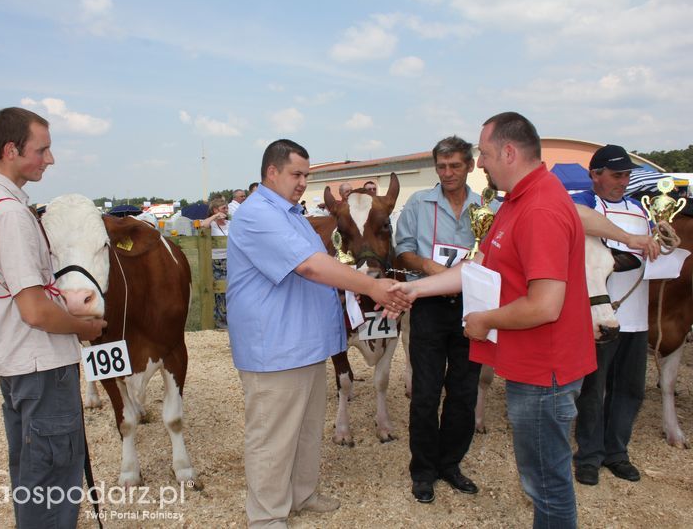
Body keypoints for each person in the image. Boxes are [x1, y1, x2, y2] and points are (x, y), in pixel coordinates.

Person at [391, 112, 596, 528]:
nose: (479, 163)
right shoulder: (516, 204)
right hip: (529, 363)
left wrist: (483, 321)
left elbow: (545, 305)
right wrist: (411, 289)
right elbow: (476, 267)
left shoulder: (538, 208)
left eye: (482, 154)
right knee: (540, 478)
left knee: (547, 484)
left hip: (546, 370)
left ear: (508, 151)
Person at [227, 138, 410, 528]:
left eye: (306, 175)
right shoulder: (258, 214)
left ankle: (301, 494)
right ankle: (266, 516)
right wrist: (374, 287)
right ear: (271, 172)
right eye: (296, 174)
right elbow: (311, 267)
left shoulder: (292, 214)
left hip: (307, 345)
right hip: (274, 348)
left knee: (307, 431)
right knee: (272, 437)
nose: (302, 183)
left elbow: (330, 262)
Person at [0, 107, 106, 527]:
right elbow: (34, 310)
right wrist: (84, 327)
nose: (50, 158)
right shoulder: (10, 213)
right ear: (11, 150)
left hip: (20, 358)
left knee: (30, 466)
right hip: (40, 360)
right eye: (42, 149)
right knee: (53, 470)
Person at [395, 135, 499, 504]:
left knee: (464, 391)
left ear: (470, 166)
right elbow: (402, 250)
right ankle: (422, 471)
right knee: (424, 392)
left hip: (473, 307)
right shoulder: (418, 203)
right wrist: (429, 267)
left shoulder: (489, 207)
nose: (448, 172)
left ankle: (451, 464)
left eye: (455, 165)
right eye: (442, 166)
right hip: (428, 305)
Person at [572, 145, 660, 486]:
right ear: (595, 174)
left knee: (630, 389)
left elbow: (647, 246)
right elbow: (576, 220)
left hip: (636, 312)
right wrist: (628, 241)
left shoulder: (640, 208)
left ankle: (617, 452)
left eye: (627, 175)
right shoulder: (584, 201)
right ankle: (589, 455)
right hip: (600, 314)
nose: (624, 181)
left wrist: (657, 244)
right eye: (617, 175)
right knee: (594, 389)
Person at [201, 196, 230, 328]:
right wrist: (215, 216)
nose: (226, 210)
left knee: (231, 292)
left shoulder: (230, 223)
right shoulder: (211, 224)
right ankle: (221, 323)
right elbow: (202, 225)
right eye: (223, 208)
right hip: (218, 261)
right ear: (215, 210)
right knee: (221, 293)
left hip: (231, 260)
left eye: (227, 208)